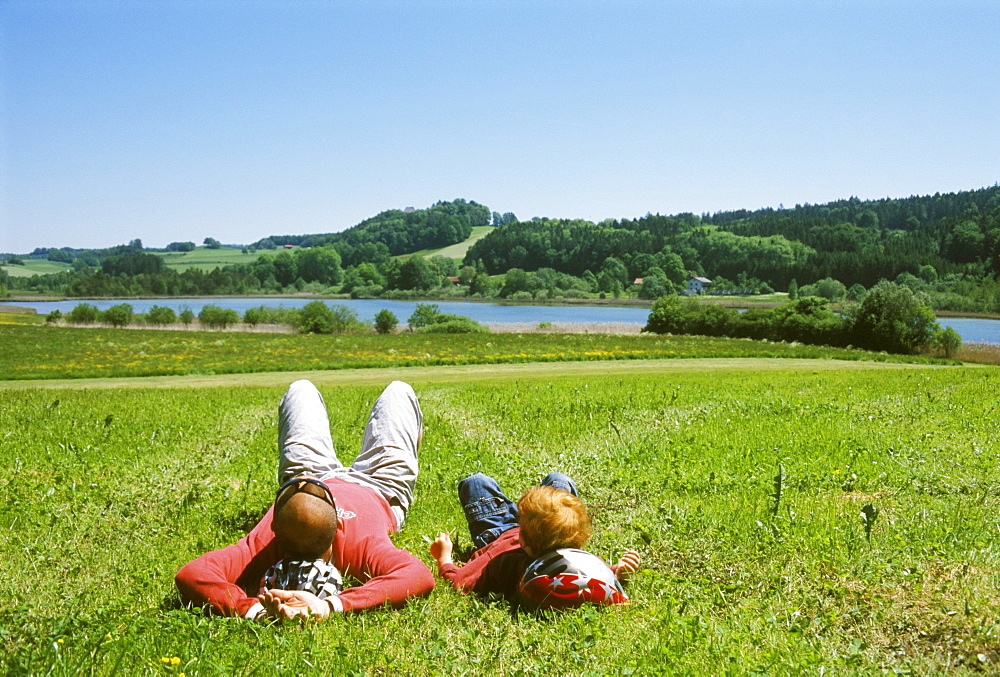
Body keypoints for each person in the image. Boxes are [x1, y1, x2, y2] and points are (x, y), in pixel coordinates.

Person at [176, 379, 434, 621]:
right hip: (380, 486)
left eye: (293, 489)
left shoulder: (262, 543)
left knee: (301, 388)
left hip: (314, 468)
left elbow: (192, 575)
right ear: (337, 524)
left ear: (274, 524)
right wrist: (331, 605)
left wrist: (253, 610)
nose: (302, 483)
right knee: (399, 391)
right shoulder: (364, 544)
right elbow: (418, 577)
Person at [429, 472, 640, 610]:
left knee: (475, 482)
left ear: (524, 542)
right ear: (577, 541)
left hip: (498, 532)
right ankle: (544, 512)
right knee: (559, 479)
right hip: (539, 529)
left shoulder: (502, 559)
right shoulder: (574, 561)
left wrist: (444, 557)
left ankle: (517, 511)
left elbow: (460, 582)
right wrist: (618, 572)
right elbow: (594, 577)